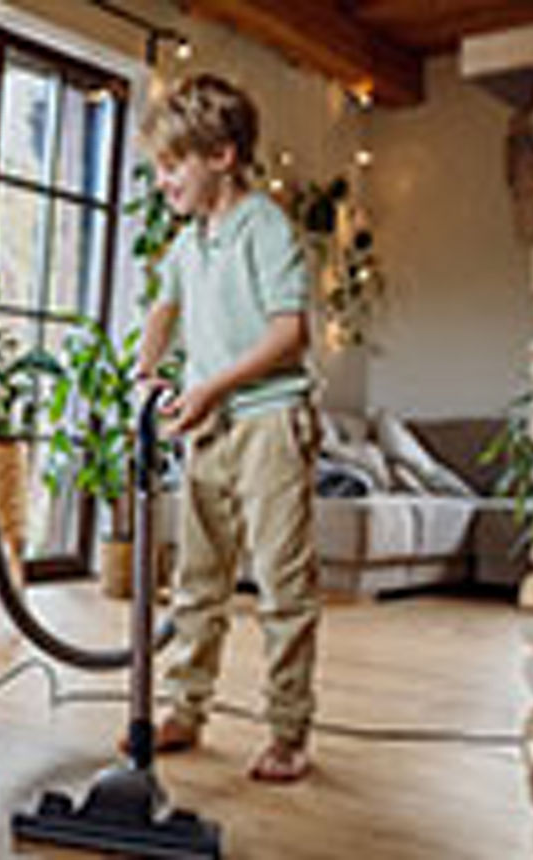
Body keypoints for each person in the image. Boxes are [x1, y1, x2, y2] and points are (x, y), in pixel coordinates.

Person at [134, 74, 321, 783]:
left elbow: (290, 333)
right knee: (198, 577)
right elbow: (163, 308)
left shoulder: (264, 226)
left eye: (172, 165)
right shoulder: (190, 240)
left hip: (270, 419)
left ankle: (288, 731)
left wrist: (210, 386)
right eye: (158, 167)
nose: (162, 181)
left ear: (222, 155)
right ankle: (185, 707)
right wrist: (147, 371)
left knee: (282, 583)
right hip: (208, 425)